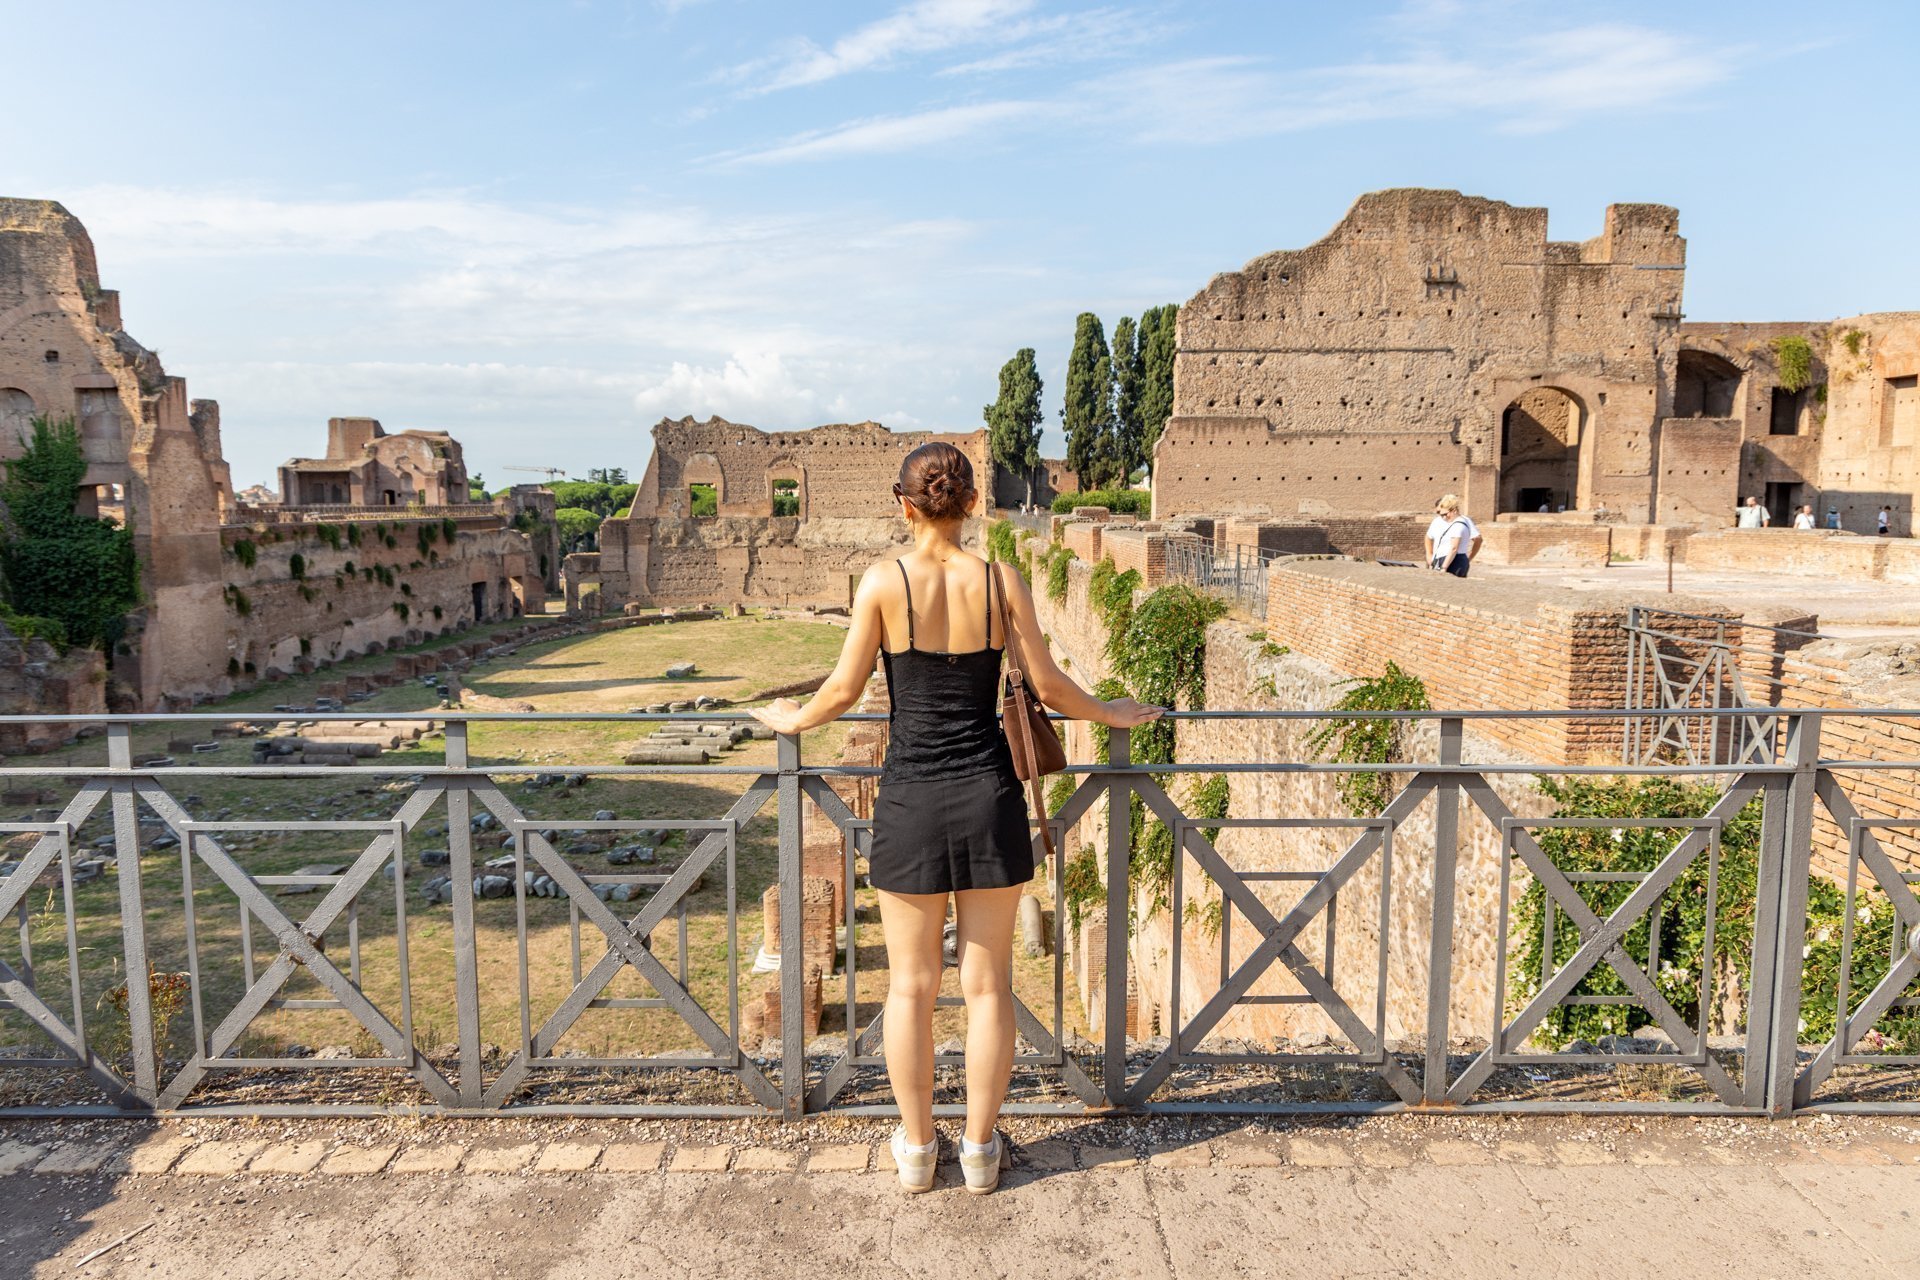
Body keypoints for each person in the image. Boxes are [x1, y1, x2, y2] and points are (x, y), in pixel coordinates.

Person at [748, 442, 1160, 1195]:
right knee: (989, 986)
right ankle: (976, 1151)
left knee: (909, 987)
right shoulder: (1003, 582)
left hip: (908, 800)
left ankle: (913, 1151)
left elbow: (841, 691)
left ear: (904, 504)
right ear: (972, 502)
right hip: (989, 797)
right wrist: (1111, 711)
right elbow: (1048, 684)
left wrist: (789, 720)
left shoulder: (882, 582)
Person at [1427, 494, 1480, 577]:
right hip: (1453, 560)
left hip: (1453, 562)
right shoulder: (1459, 523)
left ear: (1454, 510)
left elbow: (1454, 548)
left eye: (1445, 514)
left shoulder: (1458, 525)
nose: (1443, 518)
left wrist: (1444, 568)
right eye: (1441, 515)